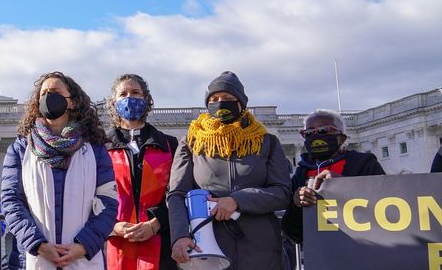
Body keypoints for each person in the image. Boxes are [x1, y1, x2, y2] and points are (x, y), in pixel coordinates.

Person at [167, 71, 292, 269]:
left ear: (241, 103)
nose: (220, 102)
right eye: (214, 99)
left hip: (260, 248)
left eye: (227, 98)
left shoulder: (267, 142)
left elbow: (282, 192)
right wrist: (180, 235)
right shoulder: (191, 143)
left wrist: (238, 200)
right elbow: (176, 194)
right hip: (207, 248)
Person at [1, 71, 118, 270]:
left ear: (72, 102)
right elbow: (11, 201)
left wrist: (82, 245)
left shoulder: (95, 149)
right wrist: (38, 244)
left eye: (55, 91)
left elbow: (108, 202)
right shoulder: (20, 149)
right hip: (34, 256)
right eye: (43, 93)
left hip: (82, 257)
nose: (48, 97)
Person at [104, 74, 179, 270]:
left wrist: (155, 223)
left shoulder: (169, 144)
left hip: (160, 243)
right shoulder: (100, 146)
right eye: (123, 94)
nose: (129, 98)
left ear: (146, 99)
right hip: (112, 243)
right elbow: (88, 195)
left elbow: (178, 192)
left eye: (135, 93)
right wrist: (113, 226)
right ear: (113, 102)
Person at [281, 109, 383, 245]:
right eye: (308, 133)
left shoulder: (363, 163)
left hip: (362, 248)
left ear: (341, 138)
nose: (316, 136)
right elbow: (293, 233)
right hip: (322, 254)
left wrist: (344, 185)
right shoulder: (301, 172)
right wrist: (296, 204)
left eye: (323, 130)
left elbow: (387, 203)